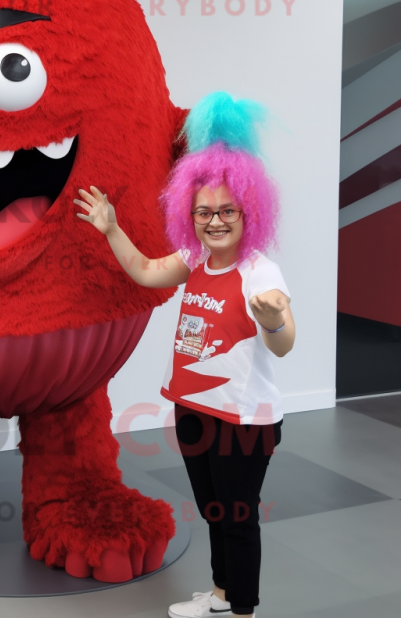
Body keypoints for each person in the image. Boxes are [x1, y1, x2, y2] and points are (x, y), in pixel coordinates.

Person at [74, 92, 295, 618]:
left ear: (249, 211)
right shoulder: (194, 257)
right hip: (194, 410)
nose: (214, 221)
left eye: (226, 211)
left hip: (242, 420)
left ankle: (244, 608)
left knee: (237, 517)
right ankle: (221, 595)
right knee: (213, 510)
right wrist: (110, 228)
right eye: (203, 212)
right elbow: (148, 272)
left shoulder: (260, 271)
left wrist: (273, 321)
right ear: (189, 215)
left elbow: (284, 344)